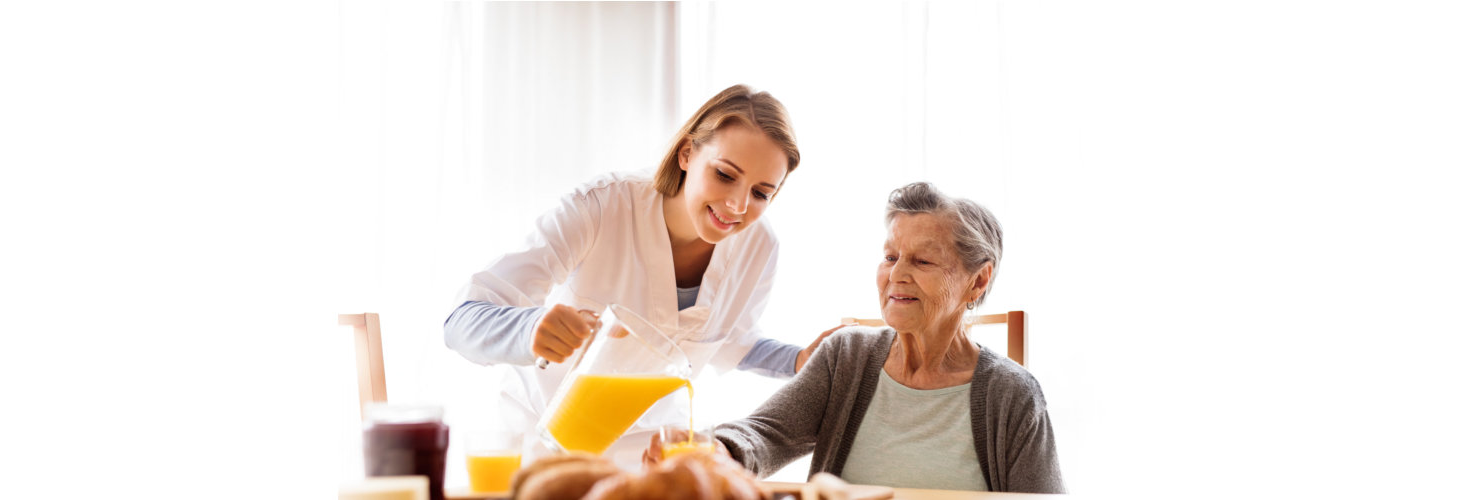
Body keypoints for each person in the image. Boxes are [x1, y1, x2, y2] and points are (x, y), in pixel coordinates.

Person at [444, 85, 836, 466]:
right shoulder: (600, 207)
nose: (737, 205)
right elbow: (460, 320)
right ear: (686, 153)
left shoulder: (759, 247)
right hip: (550, 452)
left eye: (761, 193)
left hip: (651, 463)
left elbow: (731, 342)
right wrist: (530, 329)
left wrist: (799, 360)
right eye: (724, 175)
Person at [647, 182, 1065, 493]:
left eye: (921, 260)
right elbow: (765, 434)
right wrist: (714, 450)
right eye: (889, 256)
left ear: (978, 281)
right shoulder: (846, 355)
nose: (896, 274)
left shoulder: (1013, 395)